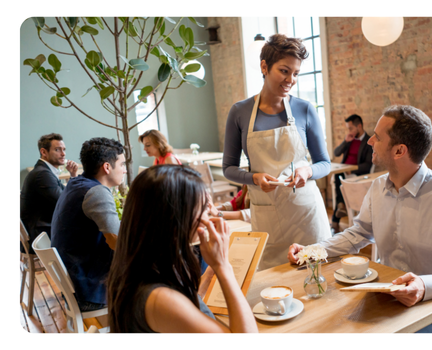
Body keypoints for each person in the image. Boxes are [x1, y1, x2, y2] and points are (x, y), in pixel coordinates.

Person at [288, 105, 432, 333]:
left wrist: (425, 286)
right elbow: (358, 233)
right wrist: (311, 251)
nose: (369, 141)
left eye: (376, 137)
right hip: (387, 298)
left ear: (399, 151)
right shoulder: (378, 187)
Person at [222, 34, 331, 270]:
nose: (290, 79)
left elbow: (324, 163)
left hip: (306, 216)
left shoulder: (304, 109)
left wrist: (307, 171)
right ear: (264, 66)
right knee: (272, 288)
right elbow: (228, 168)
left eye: (295, 73)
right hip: (266, 217)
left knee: (315, 283)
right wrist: (253, 178)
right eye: (284, 71)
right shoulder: (240, 112)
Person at [107, 165, 258, 333]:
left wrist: (209, 275)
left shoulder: (141, 266)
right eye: (203, 208)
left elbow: (187, 305)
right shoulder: (160, 300)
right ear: (175, 220)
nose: (208, 216)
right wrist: (223, 267)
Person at [51, 137, 126, 311]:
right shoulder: (96, 192)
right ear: (107, 167)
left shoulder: (76, 183)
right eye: (122, 165)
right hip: (91, 289)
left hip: (77, 281)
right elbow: (116, 241)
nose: (124, 170)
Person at [21, 133, 79, 251]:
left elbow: (64, 196)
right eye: (57, 150)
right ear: (44, 152)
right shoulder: (42, 174)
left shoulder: (45, 171)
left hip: (42, 229)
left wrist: (73, 176)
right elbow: (65, 203)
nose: (63, 154)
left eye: (64, 150)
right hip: (40, 236)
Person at [331, 114, 373, 232]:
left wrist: (352, 169)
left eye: (350, 128)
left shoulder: (368, 142)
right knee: (338, 174)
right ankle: (341, 205)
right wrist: (345, 141)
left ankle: (336, 218)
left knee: (339, 176)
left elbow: (368, 165)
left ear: (359, 126)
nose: (349, 131)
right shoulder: (349, 139)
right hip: (343, 173)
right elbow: (336, 153)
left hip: (356, 174)